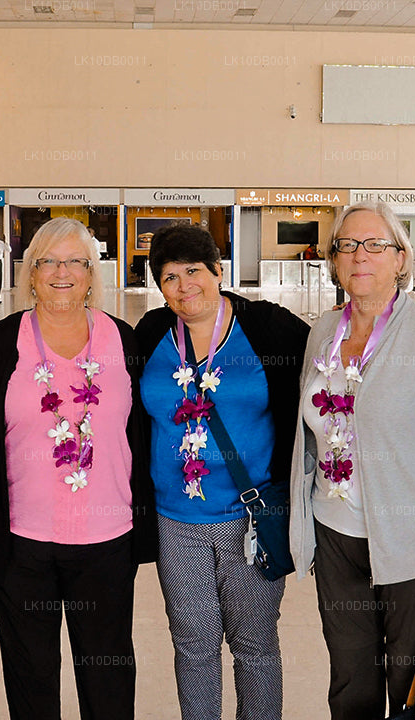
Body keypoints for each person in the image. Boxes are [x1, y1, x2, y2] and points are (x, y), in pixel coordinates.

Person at [0, 217, 157, 720]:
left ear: (93, 273)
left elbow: (147, 434)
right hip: (23, 544)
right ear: (31, 273)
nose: (62, 272)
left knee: (108, 678)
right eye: (49, 261)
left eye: (75, 261)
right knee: (31, 678)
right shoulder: (4, 342)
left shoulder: (126, 342)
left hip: (108, 541)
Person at [290, 201, 415, 719]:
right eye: (347, 245)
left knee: (412, 681)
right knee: (351, 677)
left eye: (375, 245)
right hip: (335, 534)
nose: (359, 256)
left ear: (401, 258)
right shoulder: (322, 331)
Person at [134, 225, 308, 720]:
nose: (185, 285)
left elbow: (327, 367)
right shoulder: (150, 335)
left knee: (254, 646)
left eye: (194, 271)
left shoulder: (268, 328)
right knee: (193, 646)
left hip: (250, 520)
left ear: (218, 271)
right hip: (176, 521)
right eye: (170, 277)